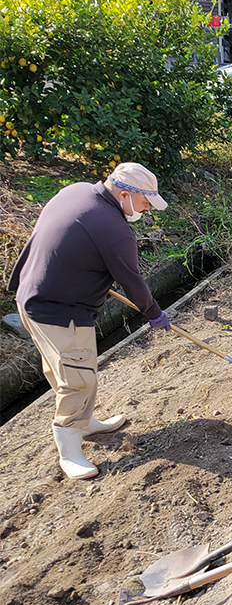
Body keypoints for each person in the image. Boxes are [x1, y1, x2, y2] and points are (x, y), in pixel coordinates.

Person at [8, 162, 172, 479]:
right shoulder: (114, 231)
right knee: (77, 379)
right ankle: (69, 452)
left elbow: (59, 238)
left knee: (72, 368)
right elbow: (133, 282)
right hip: (57, 310)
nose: (146, 209)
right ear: (125, 194)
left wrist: (82, 267)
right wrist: (154, 313)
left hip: (31, 294)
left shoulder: (77, 191)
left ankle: (84, 422)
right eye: (144, 202)